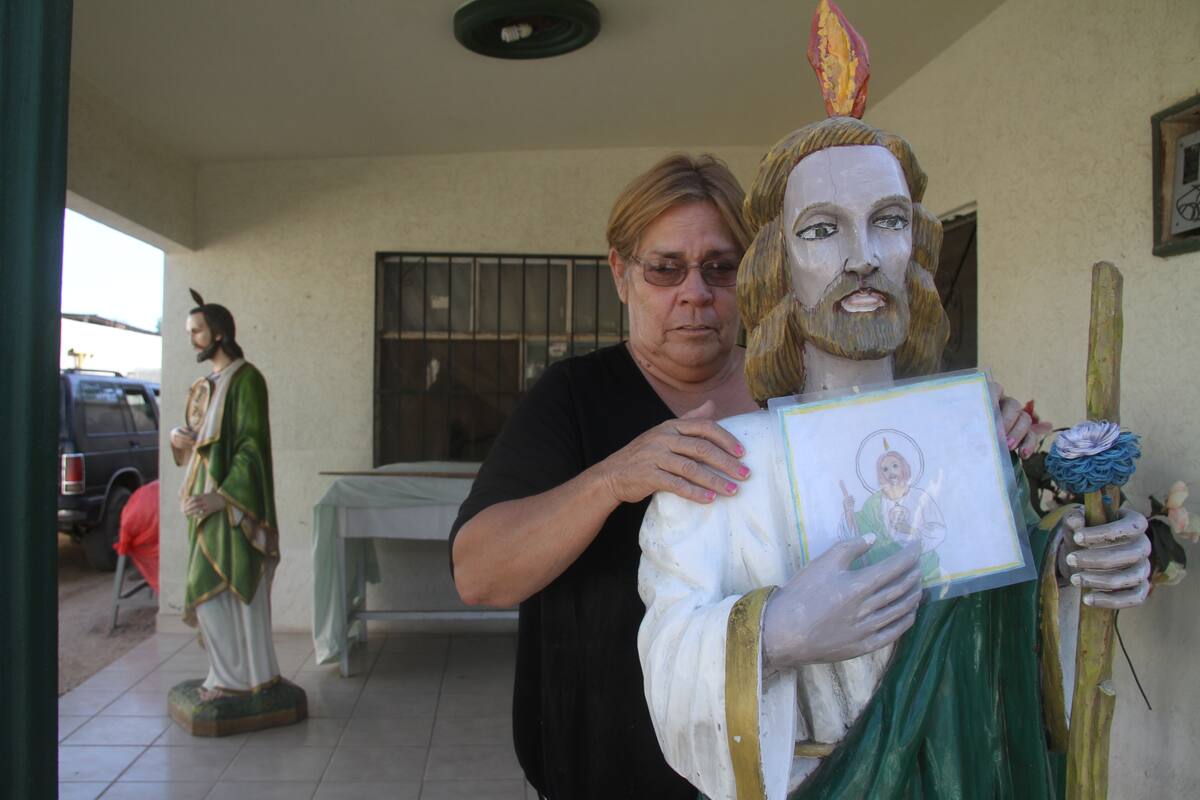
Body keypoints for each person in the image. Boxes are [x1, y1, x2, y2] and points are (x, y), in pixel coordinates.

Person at [451, 153, 1041, 798]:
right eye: (665, 268)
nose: (695, 292)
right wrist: (612, 479)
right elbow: (480, 575)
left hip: (800, 766)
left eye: (720, 268)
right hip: (604, 763)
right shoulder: (573, 396)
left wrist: (981, 441)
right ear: (621, 273)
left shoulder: (800, 396)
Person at [636, 112, 1152, 798]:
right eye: (822, 230)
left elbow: (1001, 606)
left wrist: (1074, 560)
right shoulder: (721, 473)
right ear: (779, 265)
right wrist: (774, 633)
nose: (863, 257)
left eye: (888, 220)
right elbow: (666, 646)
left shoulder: (966, 440)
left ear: (917, 248)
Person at [169, 290, 283, 700]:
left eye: (197, 330)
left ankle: (242, 679)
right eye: (189, 332)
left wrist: (225, 497)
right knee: (207, 592)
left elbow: (252, 448)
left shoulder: (246, 379)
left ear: (218, 332)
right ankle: (226, 674)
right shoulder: (204, 384)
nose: (192, 339)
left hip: (231, 505)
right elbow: (201, 443)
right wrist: (179, 440)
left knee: (230, 585)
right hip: (200, 501)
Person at [839, 449, 945, 582]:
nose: (891, 472)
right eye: (885, 469)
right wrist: (849, 512)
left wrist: (910, 530)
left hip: (925, 568)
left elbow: (938, 529)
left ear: (904, 467)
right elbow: (860, 532)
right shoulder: (874, 503)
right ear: (880, 474)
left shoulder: (920, 497)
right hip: (888, 574)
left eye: (895, 466)